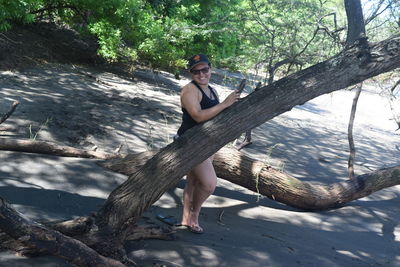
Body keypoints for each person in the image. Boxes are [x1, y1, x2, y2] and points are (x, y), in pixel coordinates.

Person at [176, 54, 240, 234]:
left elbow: (215, 114)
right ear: (191, 74)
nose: (201, 74)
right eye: (196, 71)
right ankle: (194, 215)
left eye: (204, 69)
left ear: (211, 69)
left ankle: (185, 219)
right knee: (209, 184)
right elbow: (197, 115)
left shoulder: (211, 90)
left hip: (207, 141)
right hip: (190, 141)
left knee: (193, 181)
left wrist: (231, 105)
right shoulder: (190, 90)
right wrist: (225, 104)